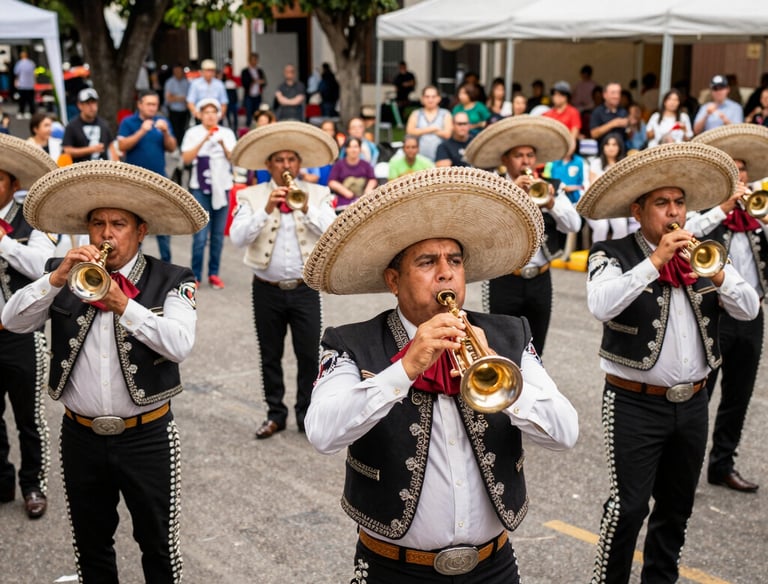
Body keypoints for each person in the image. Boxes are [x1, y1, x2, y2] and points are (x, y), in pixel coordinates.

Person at [302, 166, 579, 583]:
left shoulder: (509, 333)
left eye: (454, 260)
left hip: (493, 566)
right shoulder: (349, 342)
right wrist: (404, 369)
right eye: (427, 262)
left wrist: (507, 385)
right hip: (393, 569)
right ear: (394, 281)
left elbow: (566, 432)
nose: (446, 273)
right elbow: (321, 433)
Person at [1, 159, 207, 581]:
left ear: (140, 230)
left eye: (118, 224)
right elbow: (15, 320)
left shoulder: (173, 277)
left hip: (147, 435)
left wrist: (124, 306)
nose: (106, 234)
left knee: (158, 547)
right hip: (80, 436)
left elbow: (180, 344)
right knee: (91, 545)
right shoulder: (63, 272)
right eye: (97, 224)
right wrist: (55, 278)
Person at [576, 142, 759, 584]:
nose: (673, 213)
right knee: (630, 506)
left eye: (679, 203)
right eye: (662, 203)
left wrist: (717, 273)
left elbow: (750, 309)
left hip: (693, 402)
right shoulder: (612, 253)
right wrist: (654, 261)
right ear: (639, 211)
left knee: (677, 507)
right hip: (633, 402)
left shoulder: (706, 250)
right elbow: (601, 305)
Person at [229, 121, 338, 439]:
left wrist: (306, 207)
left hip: (305, 289)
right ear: (268, 165)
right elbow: (237, 238)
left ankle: (306, 414)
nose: (286, 166)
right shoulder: (250, 196)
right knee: (270, 354)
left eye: (291, 160)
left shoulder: (318, 193)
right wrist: (265, 209)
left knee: (308, 355)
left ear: (299, 164)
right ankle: (275, 413)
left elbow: (332, 231)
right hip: (266, 289)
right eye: (280, 160)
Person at [688, 123, 768, 493]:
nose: (739, 176)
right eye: (731, 170)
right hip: (713, 315)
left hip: (751, 316)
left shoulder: (758, 216)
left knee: (739, 395)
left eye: (743, 169)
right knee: (700, 394)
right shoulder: (706, 214)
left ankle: (722, 464)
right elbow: (689, 232)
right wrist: (722, 208)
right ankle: (684, 465)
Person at [465, 115, 581, 355]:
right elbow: (483, 229)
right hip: (503, 278)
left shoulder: (551, 186)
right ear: (505, 160)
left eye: (529, 155)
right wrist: (512, 195)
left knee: (537, 349)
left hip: (540, 278)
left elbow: (574, 225)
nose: (525, 161)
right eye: (519, 156)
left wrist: (550, 203)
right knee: (501, 346)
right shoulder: (495, 187)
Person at [0, 134, 57, 520]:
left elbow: (41, 266)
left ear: (13, 185)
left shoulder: (33, 221)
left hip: (22, 336)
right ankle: (1, 481)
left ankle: (33, 485)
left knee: (30, 417)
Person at [181, 98, 236, 289]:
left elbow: (234, 159)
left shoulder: (227, 133)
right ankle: (195, 275)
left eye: (214, 111)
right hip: (200, 188)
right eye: (206, 112)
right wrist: (204, 139)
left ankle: (214, 273)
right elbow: (186, 159)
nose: (210, 115)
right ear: (200, 115)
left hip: (222, 187)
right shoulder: (192, 133)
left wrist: (222, 145)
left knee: (218, 235)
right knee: (200, 236)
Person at [118, 90, 178, 263]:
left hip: (159, 182)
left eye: (155, 104)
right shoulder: (129, 122)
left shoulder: (162, 121)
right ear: (140, 104)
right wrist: (142, 131)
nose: (153, 108)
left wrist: (166, 132)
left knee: (163, 226)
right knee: (134, 226)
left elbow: (172, 147)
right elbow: (122, 145)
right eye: (149, 104)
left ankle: (166, 264)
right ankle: (134, 263)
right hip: (135, 184)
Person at [586, 135, 629, 243]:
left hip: (616, 205)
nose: (611, 147)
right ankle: (597, 255)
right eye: (607, 144)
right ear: (603, 147)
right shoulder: (596, 163)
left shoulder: (624, 164)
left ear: (619, 147)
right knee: (601, 226)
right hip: (596, 204)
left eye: (614, 144)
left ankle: (617, 255)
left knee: (621, 226)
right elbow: (592, 186)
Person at [62, 88, 113, 164]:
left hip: (102, 170)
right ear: (80, 105)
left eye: (93, 102)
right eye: (88, 103)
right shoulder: (72, 126)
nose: (91, 106)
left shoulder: (104, 124)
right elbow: (67, 150)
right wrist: (91, 150)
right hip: (80, 171)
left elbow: (111, 147)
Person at [328, 137, 377, 213]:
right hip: (343, 204)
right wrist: (344, 191)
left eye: (355, 147)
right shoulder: (339, 165)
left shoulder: (366, 165)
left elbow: (372, 179)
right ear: (346, 149)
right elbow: (331, 182)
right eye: (350, 147)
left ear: (360, 149)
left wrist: (368, 190)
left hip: (363, 201)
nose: (353, 150)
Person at [405, 86, 453, 162]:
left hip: (440, 158)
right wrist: (432, 129)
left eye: (433, 97)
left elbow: (447, 134)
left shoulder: (445, 114)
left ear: (439, 98)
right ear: (422, 99)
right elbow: (410, 131)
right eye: (427, 97)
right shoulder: (416, 114)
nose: (430, 100)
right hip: (419, 158)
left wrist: (420, 131)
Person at [542, 81, 581, 157]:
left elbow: (573, 135)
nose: (556, 97)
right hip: (549, 150)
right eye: (554, 94)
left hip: (567, 151)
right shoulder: (547, 114)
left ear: (566, 97)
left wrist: (567, 153)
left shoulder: (573, 112)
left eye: (560, 95)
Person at [590, 82, 629, 149]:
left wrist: (631, 125)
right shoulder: (598, 111)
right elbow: (594, 134)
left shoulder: (623, 111)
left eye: (618, 93)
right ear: (605, 95)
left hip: (622, 153)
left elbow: (628, 135)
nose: (616, 96)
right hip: (603, 154)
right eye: (613, 93)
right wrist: (613, 123)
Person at [164, 63, 191, 146]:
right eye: (176, 71)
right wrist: (181, 98)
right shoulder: (169, 82)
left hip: (184, 110)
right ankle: (175, 146)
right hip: (174, 110)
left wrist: (175, 97)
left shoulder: (186, 82)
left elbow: (189, 98)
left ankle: (182, 146)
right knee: (175, 130)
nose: (177, 73)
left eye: (179, 71)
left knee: (184, 129)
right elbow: (168, 98)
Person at [13, 49, 35, 119]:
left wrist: (16, 81)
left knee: (22, 100)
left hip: (22, 84)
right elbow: (34, 73)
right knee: (30, 100)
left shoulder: (19, 63)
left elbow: (16, 73)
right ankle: (32, 112)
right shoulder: (31, 63)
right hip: (30, 84)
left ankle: (21, 112)